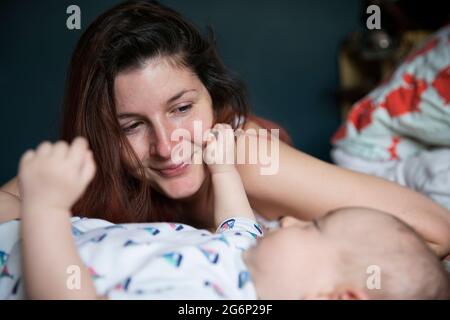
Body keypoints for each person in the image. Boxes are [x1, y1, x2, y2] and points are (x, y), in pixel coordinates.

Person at [1, 0, 450, 260]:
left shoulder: (249, 160)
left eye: (181, 108)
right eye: (132, 126)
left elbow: (435, 232)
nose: (165, 145)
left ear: (212, 98)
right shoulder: (96, 162)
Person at [3, 127, 448, 300]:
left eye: (316, 226)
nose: (289, 221)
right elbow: (238, 223)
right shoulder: (253, 258)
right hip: (37, 231)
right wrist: (222, 168)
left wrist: (48, 208)